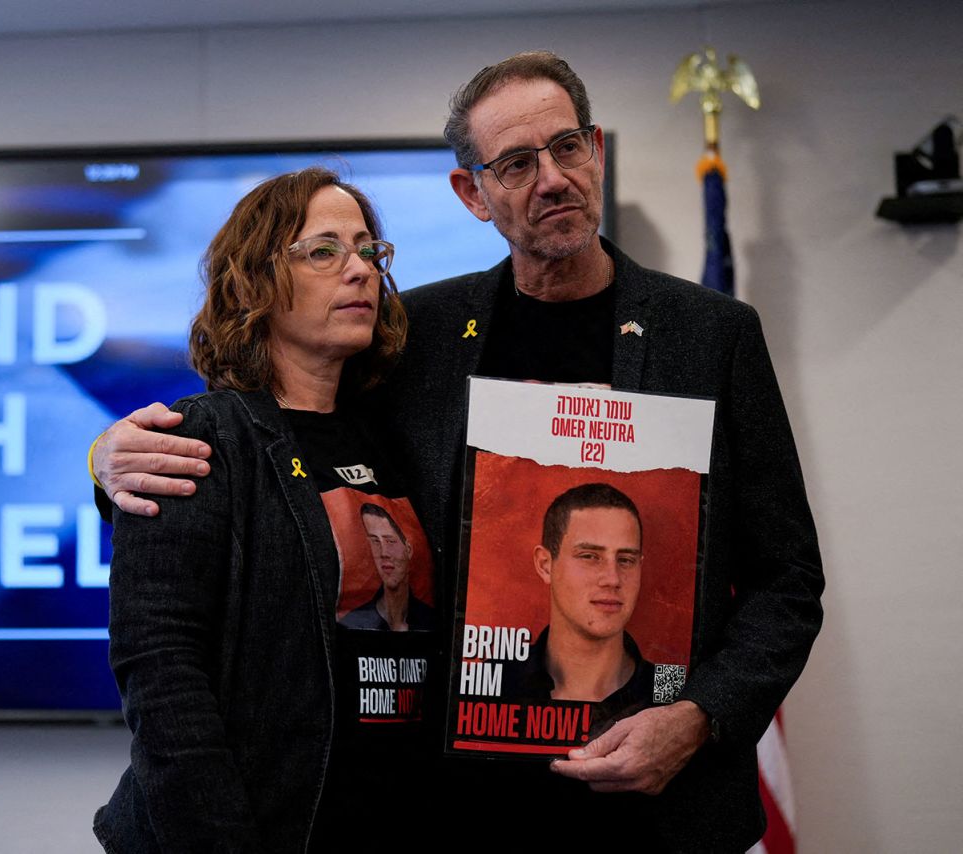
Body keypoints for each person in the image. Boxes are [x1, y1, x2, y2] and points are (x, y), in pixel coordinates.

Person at [93, 51, 824, 851]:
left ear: (597, 152)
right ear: (472, 193)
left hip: (660, 813)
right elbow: (277, 437)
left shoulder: (712, 335)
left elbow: (786, 580)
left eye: (567, 147)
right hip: (456, 817)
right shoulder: (421, 339)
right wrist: (107, 459)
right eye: (516, 163)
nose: (551, 178)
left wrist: (701, 716)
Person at [91, 167, 440, 854]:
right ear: (254, 284)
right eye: (323, 251)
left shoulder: (396, 437)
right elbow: (160, 674)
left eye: (369, 250)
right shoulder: (199, 438)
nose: (359, 270)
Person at [504, 483, 655, 732]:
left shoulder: (674, 691)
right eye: (589, 556)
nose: (612, 579)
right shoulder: (494, 680)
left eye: (626, 560)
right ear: (545, 565)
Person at [340, 502, 435, 631]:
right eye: (375, 541)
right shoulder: (352, 624)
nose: (383, 553)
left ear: (408, 549)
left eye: (390, 541)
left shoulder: (433, 622)